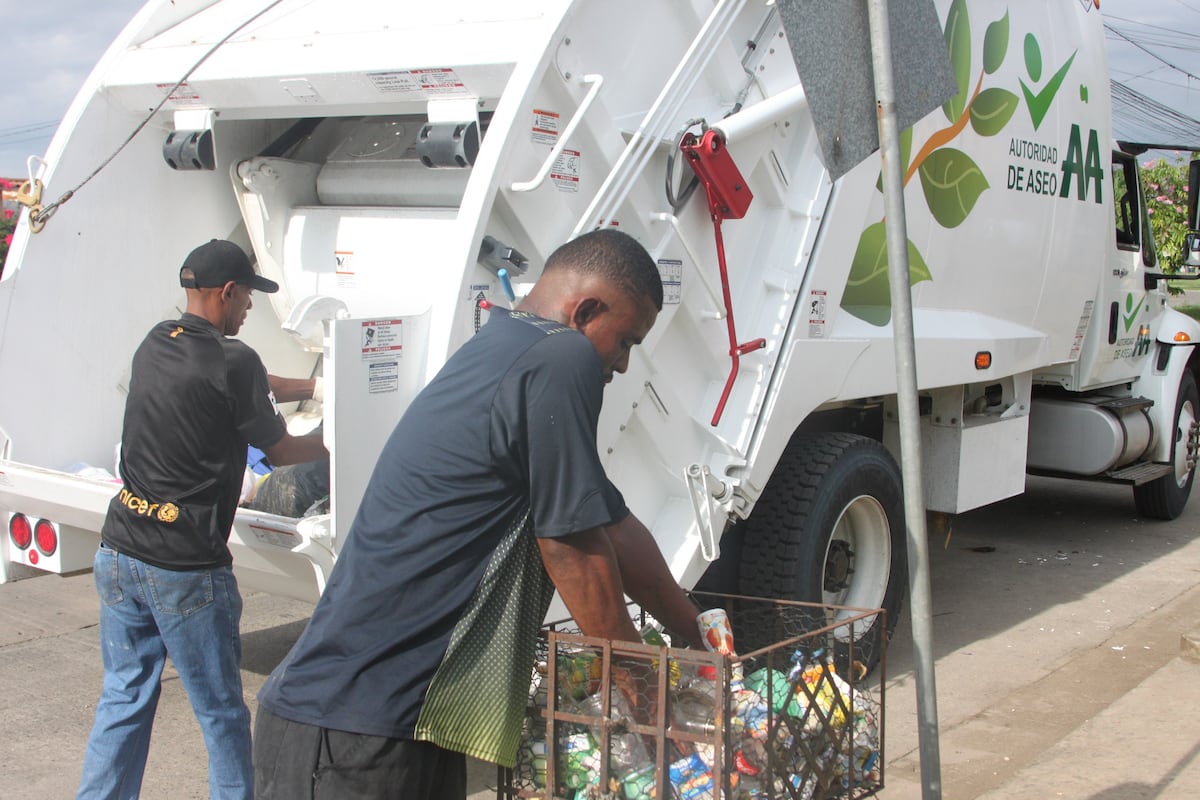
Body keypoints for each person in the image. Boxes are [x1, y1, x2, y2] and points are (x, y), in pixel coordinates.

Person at [253, 229, 705, 799]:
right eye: (625, 342)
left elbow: (610, 527)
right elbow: (569, 546)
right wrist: (648, 694)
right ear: (586, 310)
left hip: (401, 724)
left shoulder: (512, 345)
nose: (620, 364)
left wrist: (698, 636)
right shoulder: (561, 357)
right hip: (351, 734)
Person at [77, 239, 328, 800]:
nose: (248, 312)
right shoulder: (234, 360)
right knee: (220, 714)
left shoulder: (155, 342)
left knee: (123, 699)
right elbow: (283, 450)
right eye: (248, 302)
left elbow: (249, 384)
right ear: (227, 292)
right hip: (183, 565)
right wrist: (338, 441)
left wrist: (316, 385)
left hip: (119, 550)